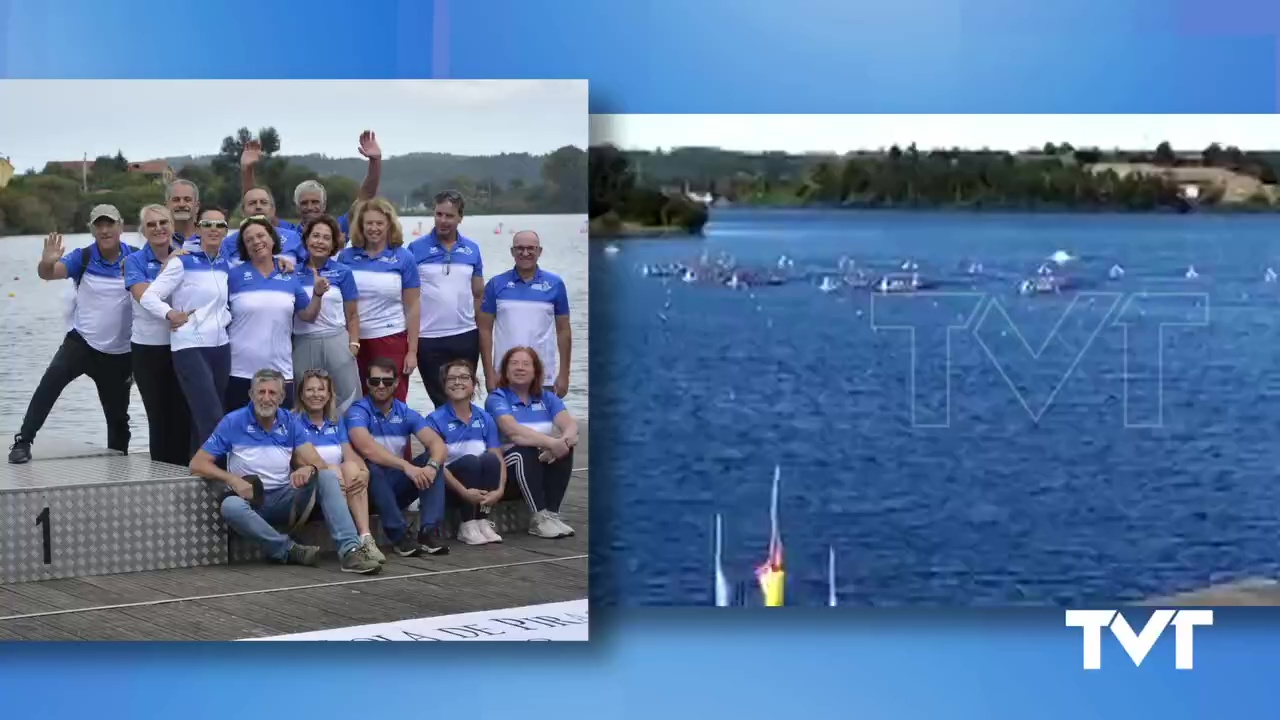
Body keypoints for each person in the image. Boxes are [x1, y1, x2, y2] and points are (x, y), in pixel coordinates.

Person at [189, 368, 382, 574]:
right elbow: (197, 464)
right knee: (230, 506)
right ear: (251, 395)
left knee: (325, 476)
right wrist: (232, 480)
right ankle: (287, 550)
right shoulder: (233, 422)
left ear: (281, 397)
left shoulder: (290, 422)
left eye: (272, 393)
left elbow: (318, 463)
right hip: (251, 501)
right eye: (261, 392)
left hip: (286, 499)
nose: (266, 398)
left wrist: (308, 469)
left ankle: (351, 550)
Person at [8, 205, 137, 464]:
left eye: (109, 224)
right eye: (98, 225)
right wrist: (47, 261)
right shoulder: (83, 257)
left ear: (120, 227)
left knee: (118, 420)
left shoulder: (136, 257)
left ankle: (119, 463)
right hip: (81, 345)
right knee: (48, 387)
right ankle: (23, 441)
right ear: (92, 230)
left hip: (119, 354)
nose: (104, 230)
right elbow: (49, 273)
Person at [140, 206, 233, 455]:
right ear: (199, 229)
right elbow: (149, 297)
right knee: (211, 415)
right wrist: (170, 314)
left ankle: (197, 471)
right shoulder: (182, 262)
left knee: (206, 414)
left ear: (226, 231)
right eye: (208, 224)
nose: (214, 230)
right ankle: (219, 477)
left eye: (220, 225)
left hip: (220, 346)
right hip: (190, 346)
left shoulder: (226, 264)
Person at [345, 357, 449, 557]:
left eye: (387, 381)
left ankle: (429, 531)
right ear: (367, 383)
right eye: (375, 381)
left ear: (396, 383)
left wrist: (432, 466)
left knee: (432, 460)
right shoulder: (358, 411)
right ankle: (399, 536)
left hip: (396, 485)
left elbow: (438, 444)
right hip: (367, 491)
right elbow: (367, 448)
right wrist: (406, 466)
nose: (381, 386)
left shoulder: (406, 412)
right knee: (372, 468)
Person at [225, 217, 324, 411]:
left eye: (261, 235)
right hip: (239, 371)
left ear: (272, 239)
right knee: (241, 435)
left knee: (280, 434)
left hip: (280, 372)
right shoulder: (233, 276)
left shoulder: (289, 275)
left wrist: (318, 294)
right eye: (249, 239)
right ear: (244, 246)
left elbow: (307, 315)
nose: (256, 242)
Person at [484, 346, 579, 539]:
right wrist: (551, 443)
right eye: (514, 363)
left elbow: (570, 426)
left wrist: (564, 441)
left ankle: (552, 514)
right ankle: (538, 519)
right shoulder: (497, 398)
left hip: (537, 466)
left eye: (526, 364)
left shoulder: (547, 397)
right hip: (505, 469)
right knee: (523, 451)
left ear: (535, 370)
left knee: (566, 447)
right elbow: (514, 432)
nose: (520, 368)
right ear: (505, 371)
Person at [123, 204, 192, 465]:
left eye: (163, 222)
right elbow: (145, 297)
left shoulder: (187, 254)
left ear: (173, 226)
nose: (159, 228)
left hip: (182, 345)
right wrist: (169, 270)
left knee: (184, 414)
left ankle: (186, 473)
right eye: (151, 225)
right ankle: (162, 476)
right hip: (149, 349)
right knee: (159, 417)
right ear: (143, 231)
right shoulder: (134, 261)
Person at [293, 368, 384, 564]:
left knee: (352, 467)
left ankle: (365, 538)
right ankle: (349, 544)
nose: (316, 394)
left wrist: (364, 472)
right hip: (311, 490)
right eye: (310, 390)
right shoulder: (293, 422)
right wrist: (331, 474)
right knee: (333, 470)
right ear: (301, 394)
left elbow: (349, 454)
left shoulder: (336, 421)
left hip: (342, 486)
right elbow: (297, 460)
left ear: (328, 395)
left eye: (321, 390)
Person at [338, 197, 419, 404]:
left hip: (390, 338)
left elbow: (413, 307)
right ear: (361, 226)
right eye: (369, 223)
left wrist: (412, 351)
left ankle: (398, 437)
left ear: (389, 225)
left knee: (393, 401)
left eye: (379, 223)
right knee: (357, 402)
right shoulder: (346, 257)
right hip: (353, 341)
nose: (374, 228)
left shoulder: (404, 258)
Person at [408, 190, 484, 409]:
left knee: (463, 397)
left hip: (465, 335)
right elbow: (408, 298)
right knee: (440, 400)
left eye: (449, 216)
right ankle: (442, 442)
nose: (443, 220)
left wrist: (482, 333)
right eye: (439, 214)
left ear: (460, 217)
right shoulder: (415, 249)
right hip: (428, 337)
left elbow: (478, 295)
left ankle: (465, 441)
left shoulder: (472, 249)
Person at [478, 231, 572, 397]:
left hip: (543, 376)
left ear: (539, 251)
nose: (525, 253)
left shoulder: (555, 284)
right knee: (503, 422)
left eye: (531, 248)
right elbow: (484, 330)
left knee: (543, 423)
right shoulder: (496, 284)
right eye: (520, 248)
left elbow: (563, 330)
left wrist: (564, 374)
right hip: (504, 376)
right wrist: (489, 373)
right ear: (512, 252)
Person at [240, 131, 382, 240]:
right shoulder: (287, 232)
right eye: (304, 203)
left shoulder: (338, 228)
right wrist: (248, 170)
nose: (309, 207)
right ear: (297, 207)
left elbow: (365, 197)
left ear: (324, 205)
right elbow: (254, 205)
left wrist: (375, 162)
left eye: (315, 202)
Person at [425, 359, 506, 545]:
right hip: (450, 488)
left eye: (463, 377)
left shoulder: (485, 417)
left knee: (491, 459)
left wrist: (500, 490)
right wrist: (463, 492)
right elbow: (435, 465)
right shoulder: (434, 420)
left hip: (478, 486)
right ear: (444, 386)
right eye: (451, 378)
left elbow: (498, 457)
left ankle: (482, 520)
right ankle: (467, 524)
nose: (457, 382)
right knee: (470, 461)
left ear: (473, 384)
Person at [292, 215, 362, 414]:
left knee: (348, 399)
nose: (320, 242)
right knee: (304, 400)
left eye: (326, 237)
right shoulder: (292, 273)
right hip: (303, 342)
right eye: (315, 236)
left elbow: (353, 315)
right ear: (306, 240)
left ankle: (348, 441)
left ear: (333, 244)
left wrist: (354, 345)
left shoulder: (343, 272)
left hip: (337, 340)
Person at [219, 187, 304, 266]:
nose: (258, 207)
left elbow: (309, 270)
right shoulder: (228, 243)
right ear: (242, 212)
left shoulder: (294, 237)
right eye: (252, 203)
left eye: (264, 202)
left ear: (272, 210)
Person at [166, 179, 201, 249]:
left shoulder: (209, 238)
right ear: (166, 206)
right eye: (176, 200)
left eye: (187, 200)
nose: (181, 204)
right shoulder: (158, 240)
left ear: (197, 207)